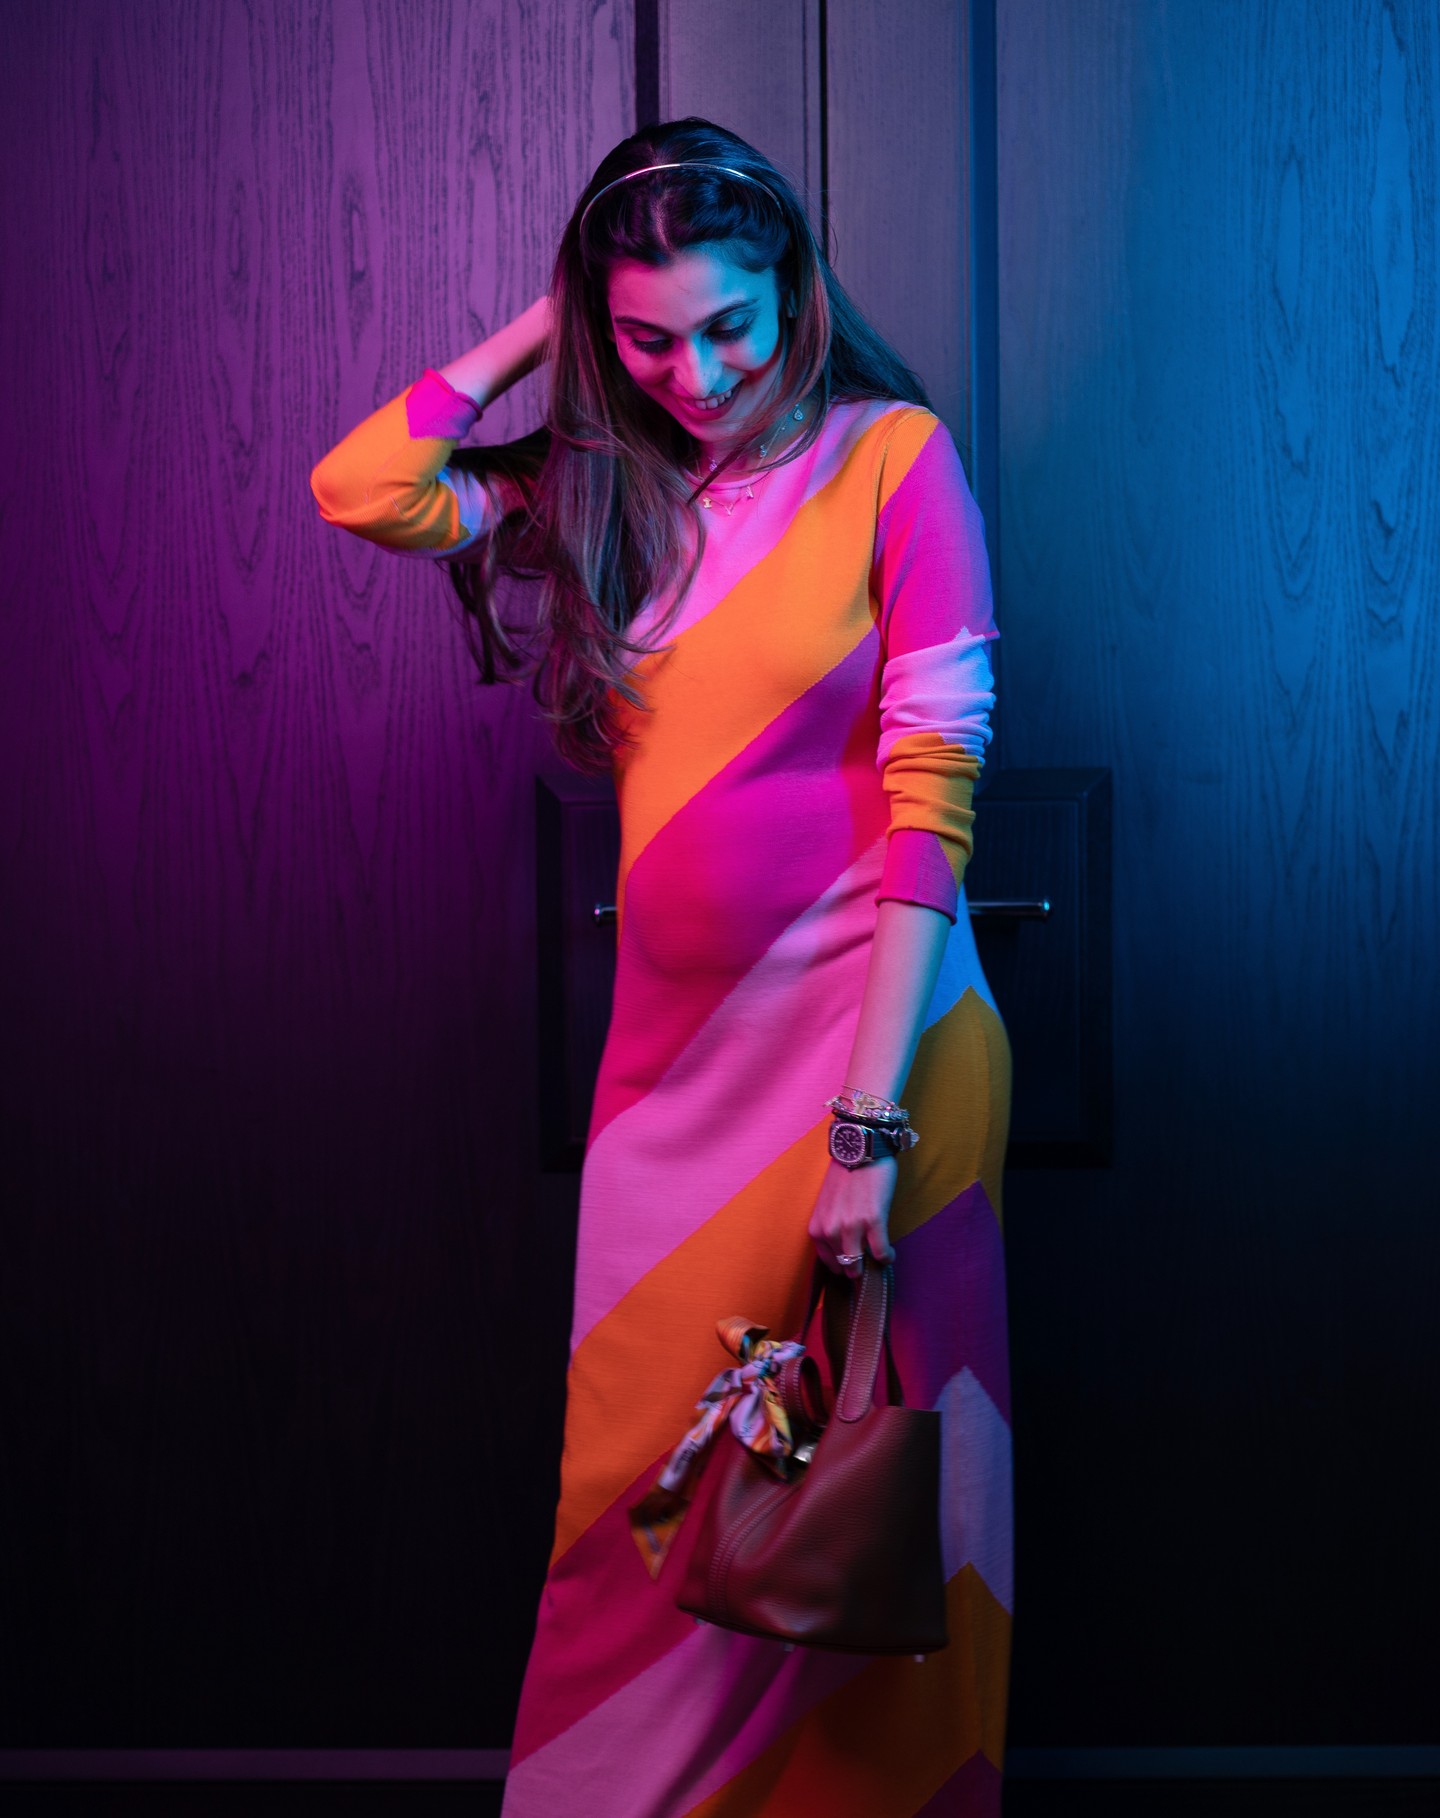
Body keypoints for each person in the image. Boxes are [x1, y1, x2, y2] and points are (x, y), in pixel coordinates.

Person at [311, 116, 1012, 1818]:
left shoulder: (893, 459)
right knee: (642, 1494)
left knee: (879, 1487)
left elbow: (935, 797)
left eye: (729, 327)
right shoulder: (599, 484)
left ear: (796, 290)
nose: (694, 375)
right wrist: (545, 331)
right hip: (673, 1075)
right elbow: (365, 486)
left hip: (882, 1052)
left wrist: (866, 1132)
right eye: (644, 336)